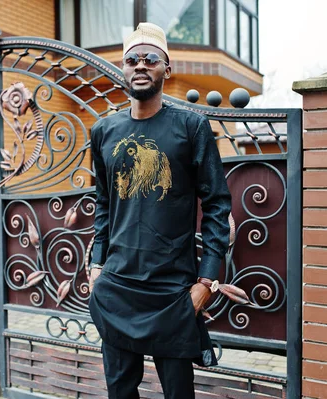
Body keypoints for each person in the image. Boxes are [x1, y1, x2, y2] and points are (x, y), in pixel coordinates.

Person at [87, 22, 232, 399]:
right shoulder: (104, 132)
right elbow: (103, 203)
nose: (140, 65)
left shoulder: (191, 127)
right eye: (132, 59)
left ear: (166, 69)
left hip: (172, 289)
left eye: (151, 58)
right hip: (117, 286)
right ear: (123, 68)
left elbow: (217, 205)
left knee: (178, 394)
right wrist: (96, 266)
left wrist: (206, 283)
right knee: (120, 392)